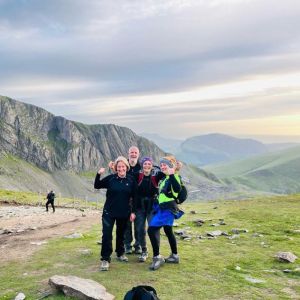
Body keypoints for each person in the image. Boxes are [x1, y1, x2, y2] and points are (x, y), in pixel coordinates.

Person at [94, 156, 137, 271]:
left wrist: (133, 212)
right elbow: (97, 185)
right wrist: (99, 174)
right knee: (107, 235)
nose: (121, 168)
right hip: (109, 212)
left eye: (123, 166)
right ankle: (105, 259)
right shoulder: (111, 179)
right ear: (116, 168)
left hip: (124, 212)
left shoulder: (131, 180)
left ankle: (120, 253)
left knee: (121, 234)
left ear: (126, 167)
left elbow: (134, 197)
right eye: (119, 167)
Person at [147, 156, 184, 271]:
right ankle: (175, 255)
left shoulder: (175, 177)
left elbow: (177, 189)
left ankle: (157, 257)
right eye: (161, 164)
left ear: (171, 166)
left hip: (167, 210)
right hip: (162, 208)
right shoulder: (165, 178)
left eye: (165, 165)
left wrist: (172, 174)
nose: (162, 166)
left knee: (151, 229)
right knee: (168, 231)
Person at [132, 156, 165, 262]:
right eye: (145, 164)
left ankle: (157, 253)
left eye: (149, 164)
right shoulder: (137, 176)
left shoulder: (156, 176)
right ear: (142, 165)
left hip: (152, 208)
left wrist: (175, 168)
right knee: (140, 230)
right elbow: (125, 175)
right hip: (139, 207)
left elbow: (166, 173)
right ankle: (144, 251)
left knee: (154, 228)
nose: (147, 165)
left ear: (152, 166)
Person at [124, 146, 142, 255]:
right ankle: (127, 245)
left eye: (135, 152)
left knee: (139, 224)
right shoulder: (124, 165)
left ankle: (138, 245)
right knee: (126, 224)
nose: (133, 154)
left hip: (139, 201)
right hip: (125, 200)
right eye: (132, 152)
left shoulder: (141, 167)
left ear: (138, 154)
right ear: (128, 153)